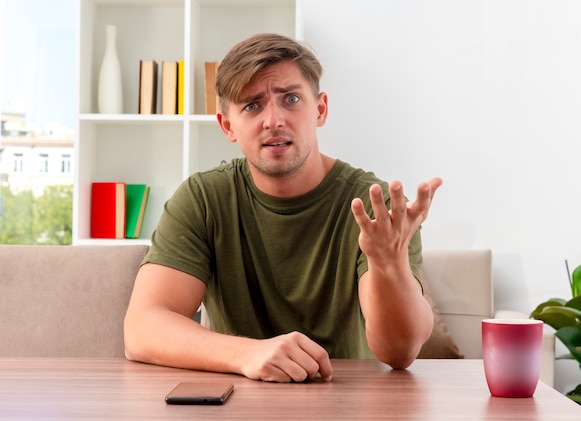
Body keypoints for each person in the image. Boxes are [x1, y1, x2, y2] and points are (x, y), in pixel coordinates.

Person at [123, 33, 443, 383]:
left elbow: (399, 352)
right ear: (228, 125)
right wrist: (249, 353)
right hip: (239, 400)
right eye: (252, 105)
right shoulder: (203, 199)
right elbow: (142, 327)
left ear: (319, 109)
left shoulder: (373, 205)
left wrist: (389, 262)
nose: (273, 120)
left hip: (350, 401)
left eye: (290, 99)